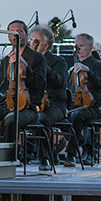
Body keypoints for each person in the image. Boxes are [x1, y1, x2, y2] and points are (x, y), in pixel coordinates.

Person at [0, 20, 46, 143]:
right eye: (12, 32)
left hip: (27, 107)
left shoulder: (37, 58)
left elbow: (40, 85)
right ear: (9, 36)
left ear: (26, 35)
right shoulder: (5, 60)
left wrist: (26, 66)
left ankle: (11, 156)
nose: (16, 34)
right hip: (4, 105)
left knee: (11, 120)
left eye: (20, 31)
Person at [29, 25, 68, 170]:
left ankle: (43, 158)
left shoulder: (58, 61)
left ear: (46, 45)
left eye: (36, 41)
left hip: (56, 103)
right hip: (34, 101)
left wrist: (43, 65)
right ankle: (19, 155)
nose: (33, 44)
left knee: (42, 120)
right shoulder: (29, 61)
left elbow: (60, 82)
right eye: (31, 40)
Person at [66, 33, 101, 165]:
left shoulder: (97, 65)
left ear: (90, 47)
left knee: (76, 116)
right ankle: (83, 144)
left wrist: (88, 71)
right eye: (76, 46)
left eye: (81, 46)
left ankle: (71, 155)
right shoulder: (73, 67)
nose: (78, 49)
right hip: (75, 105)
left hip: (92, 107)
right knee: (59, 116)